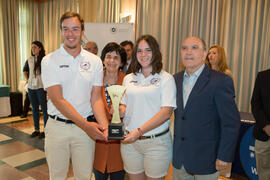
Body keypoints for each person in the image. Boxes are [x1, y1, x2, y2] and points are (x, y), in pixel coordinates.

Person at [41, 12, 108, 180]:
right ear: (61, 31)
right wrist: (87, 126)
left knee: (84, 176)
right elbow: (58, 100)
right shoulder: (49, 60)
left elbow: (97, 98)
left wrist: (105, 127)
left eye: (75, 29)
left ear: (82, 31)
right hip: (58, 128)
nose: (70, 34)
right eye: (66, 29)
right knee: (57, 176)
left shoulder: (95, 61)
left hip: (84, 130)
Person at [173, 36, 240, 180]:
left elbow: (231, 122)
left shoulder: (220, 81)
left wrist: (224, 155)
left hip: (207, 159)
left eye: (194, 48)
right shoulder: (175, 79)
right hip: (180, 159)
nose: (188, 52)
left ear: (204, 55)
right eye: (184, 48)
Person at [120, 34, 176, 180]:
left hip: (156, 143)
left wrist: (139, 131)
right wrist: (118, 110)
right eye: (139, 51)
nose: (143, 54)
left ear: (155, 52)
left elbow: (165, 113)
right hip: (130, 142)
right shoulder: (128, 78)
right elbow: (124, 105)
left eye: (148, 50)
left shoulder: (166, 78)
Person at [93, 42, 127, 180]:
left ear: (122, 62)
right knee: (99, 175)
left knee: (118, 174)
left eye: (116, 57)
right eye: (108, 56)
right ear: (103, 59)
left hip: (120, 142)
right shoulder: (94, 79)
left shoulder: (128, 81)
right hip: (98, 139)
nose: (111, 61)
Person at [251, 69, 270, 180]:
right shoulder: (262, 76)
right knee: (263, 174)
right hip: (264, 135)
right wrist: (266, 126)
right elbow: (255, 103)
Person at [27, 41, 48, 139]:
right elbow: (28, 71)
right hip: (31, 87)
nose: (33, 49)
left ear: (40, 48)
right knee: (34, 109)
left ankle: (46, 130)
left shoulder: (45, 59)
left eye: (35, 47)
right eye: (32, 48)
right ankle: (36, 129)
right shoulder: (30, 59)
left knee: (44, 110)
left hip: (41, 87)